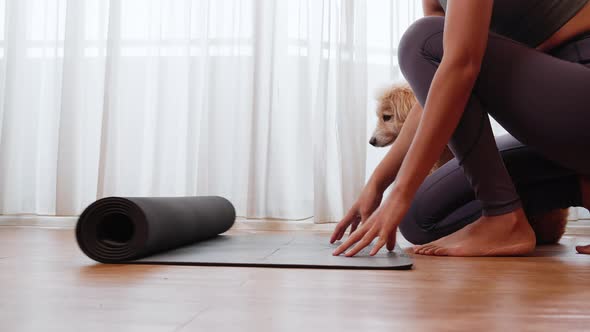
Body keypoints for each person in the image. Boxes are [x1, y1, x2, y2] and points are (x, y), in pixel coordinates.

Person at [330, 0, 590, 257]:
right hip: (562, 128)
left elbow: (459, 64)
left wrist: (400, 193)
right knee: (420, 219)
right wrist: (378, 184)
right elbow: (437, 91)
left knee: (420, 40)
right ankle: (582, 188)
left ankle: (503, 215)